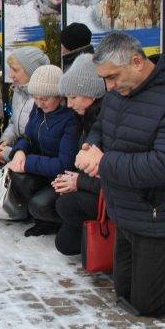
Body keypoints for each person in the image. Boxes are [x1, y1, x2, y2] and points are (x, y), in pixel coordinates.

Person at [75, 32, 165, 316]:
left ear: (137, 62)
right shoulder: (118, 92)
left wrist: (104, 163)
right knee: (125, 292)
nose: (108, 86)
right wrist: (92, 145)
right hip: (127, 211)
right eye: (104, 79)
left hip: (163, 215)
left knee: (149, 302)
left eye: (112, 77)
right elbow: (102, 125)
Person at [0, 65, 79, 237]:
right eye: (35, 98)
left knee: (40, 204)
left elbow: (64, 164)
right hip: (39, 169)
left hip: (59, 177)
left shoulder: (70, 119)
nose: (38, 102)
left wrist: (26, 162)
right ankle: (31, 214)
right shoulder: (38, 111)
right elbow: (27, 137)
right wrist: (20, 151)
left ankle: (52, 221)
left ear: (59, 96)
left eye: (44, 98)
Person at [52, 54, 107, 256]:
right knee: (65, 242)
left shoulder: (106, 121)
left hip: (109, 196)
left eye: (73, 97)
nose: (69, 104)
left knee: (65, 204)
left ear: (92, 94)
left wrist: (78, 182)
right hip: (94, 189)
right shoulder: (84, 118)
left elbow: (114, 174)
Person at [0, 46, 49, 165]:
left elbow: (39, 141)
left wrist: (12, 153)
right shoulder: (18, 91)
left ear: (31, 71)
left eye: (15, 70)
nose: (11, 75)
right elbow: (14, 123)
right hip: (19, 152)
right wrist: (5, 142)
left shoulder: (45, 99)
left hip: (33, 160)